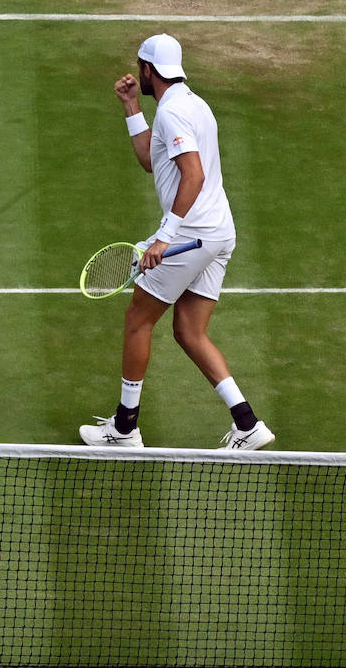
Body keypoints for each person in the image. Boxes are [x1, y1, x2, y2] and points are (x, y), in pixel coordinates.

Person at [79, 33, 275, 450]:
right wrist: (132, 108)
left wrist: (164, 238)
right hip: (219, 232)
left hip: (190, 234)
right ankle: (248, 424)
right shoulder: (192, 105)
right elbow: (152, 161)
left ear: (149, 70)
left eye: (139, 67)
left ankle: (125, 427)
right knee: (189, 331)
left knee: (138, 319)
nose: (137, 74)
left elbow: (194, 175)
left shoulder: (172, 114)